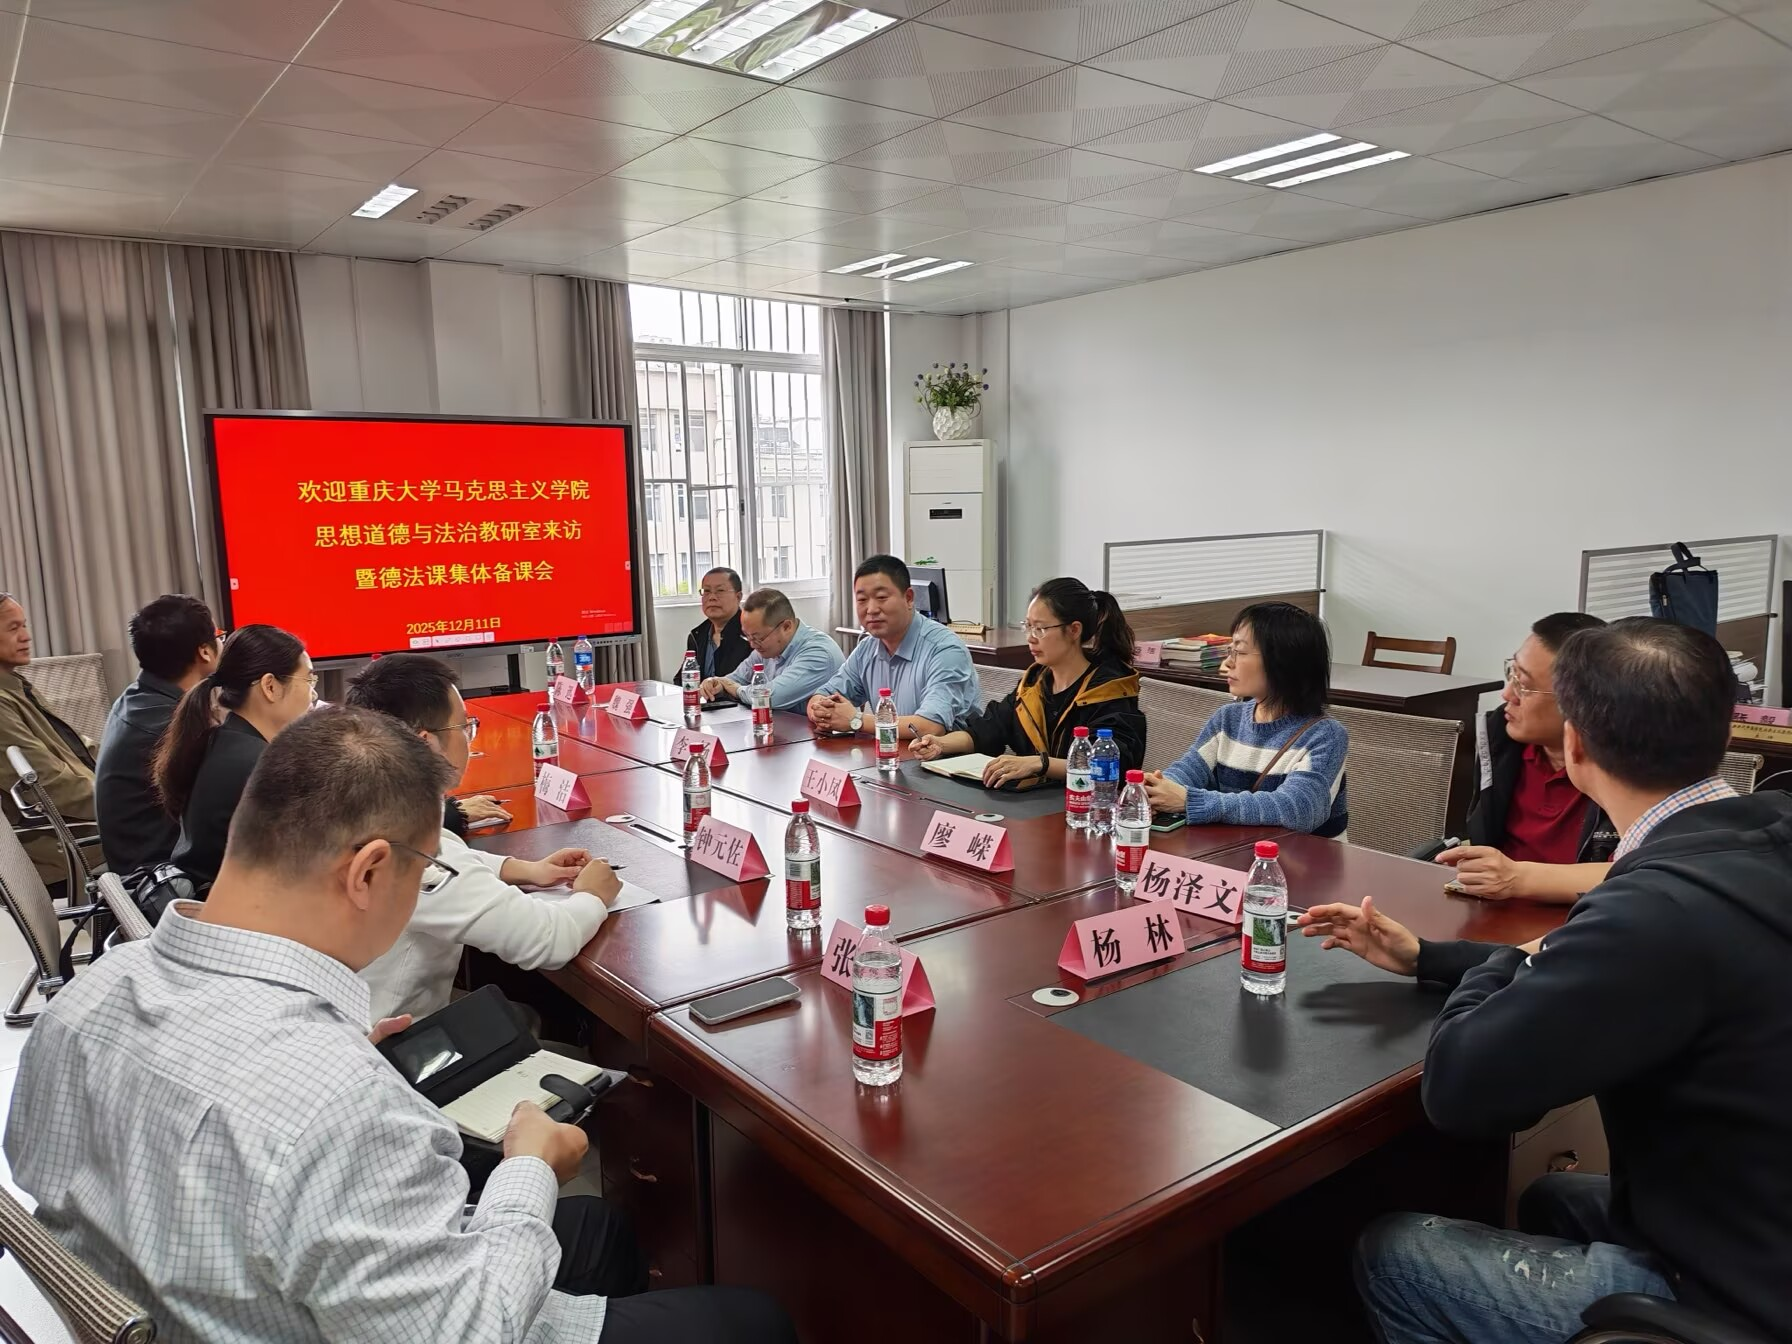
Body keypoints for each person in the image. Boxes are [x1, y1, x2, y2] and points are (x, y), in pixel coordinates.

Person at [3, 707, 795, 1344]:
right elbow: (470, 1328)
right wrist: (529, 1167)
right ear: (370, 871)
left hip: (200, 1309)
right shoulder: (333, 1100)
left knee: (594, 1230)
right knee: (751, 1320)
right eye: (421, 871)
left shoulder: (86, 1000)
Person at [1298, 618, 1792, 1344]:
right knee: (1552, 1197)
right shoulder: (1761, 833)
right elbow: (1591, 970)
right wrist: (1430, 958)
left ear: (1577, 745)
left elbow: (1460, 1088)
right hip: (1755, 1214)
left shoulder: (1652, 907)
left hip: (1732, 1295)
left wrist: (1518, 956)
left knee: (1392, 1253)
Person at [344, 653, 621, 1022]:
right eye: (465, 726)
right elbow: (549, 940)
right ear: (426, 744)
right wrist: (593, 895)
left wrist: (523, 869)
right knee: (537, 1023)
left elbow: (448, 856)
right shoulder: (411, 850)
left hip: (346, 1017)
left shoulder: (362, 807)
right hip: (390, 1040)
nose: (469, 736)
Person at [1425, 611, 1616, 903]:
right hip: (1495, 909)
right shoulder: (1499, 741)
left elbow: (1639, 874)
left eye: (1523, 685)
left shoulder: (1624, 768)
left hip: (1584, 917)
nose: (1506, 695)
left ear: (1580, 702)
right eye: (1511, 673)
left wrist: (1518, 877)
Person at [911, 577, 1145, 788]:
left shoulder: (1110, 689)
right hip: (1035, 803)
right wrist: (941, 744)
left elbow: (1111, 764)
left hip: (1090, 806)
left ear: (1074, 630)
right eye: (1028, 626)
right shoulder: (1035, 683)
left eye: (1040, 628)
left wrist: (1040, 764)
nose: (1031, 638)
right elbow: (988, 730)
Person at [1142, 602, 1347, 836]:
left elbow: (1299, 810)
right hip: (1237, 850)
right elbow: (1189, 770)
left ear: (1282, 660)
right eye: (1230, 651)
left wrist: (1190, 800)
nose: (1227, 663)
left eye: (1239, 652)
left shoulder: (1325, 735)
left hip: (1303, 857)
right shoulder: (1227, 718)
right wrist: (1157, 790)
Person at [154, 624, 312, 887]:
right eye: (308, 680)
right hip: (237, 906)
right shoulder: (261, 765)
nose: (313, 694)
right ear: (270, 686)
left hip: (201, 897)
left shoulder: (217, 741)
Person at [94, 594, 220, 877]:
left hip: (140, 861)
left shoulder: (139, 699)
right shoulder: (170, 726)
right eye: (219, 636)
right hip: (163, 878)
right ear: (205, 652)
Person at [807, 555, 979, 742]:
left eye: (881, 598)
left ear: (909, 598)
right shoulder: (867, 648)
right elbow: (823, 694)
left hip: (947, 758)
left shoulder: (945, 650)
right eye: (862, 599)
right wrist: (820, 710)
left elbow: (930, 727)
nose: (871, 609)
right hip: (888, 753)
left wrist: (856, 720)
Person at [0, 591, 100, 890]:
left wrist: (127, 779)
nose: (26, 636)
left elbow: (77, 747)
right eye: (13, 628)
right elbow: (47, 783)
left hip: (80, 830)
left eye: (24, 625)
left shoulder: (15, 686)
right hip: (63, 849)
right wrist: (122, 802)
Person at [699, 587, 844, 711]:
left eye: (758, 638)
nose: (752, 645)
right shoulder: (766, 649)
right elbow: (735, 679)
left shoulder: (818, 653)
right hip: (785, 728)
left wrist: (735, 689)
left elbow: (772, 697)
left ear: (786, 627)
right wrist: (716, 684)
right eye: (747, 636)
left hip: (822, 734)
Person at [685, 566, 751, 681]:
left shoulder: (750, 635)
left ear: (738, 597)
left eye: (720, 591)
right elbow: (683, 679)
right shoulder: (697, 635)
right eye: (706, 591)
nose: (712, 597)